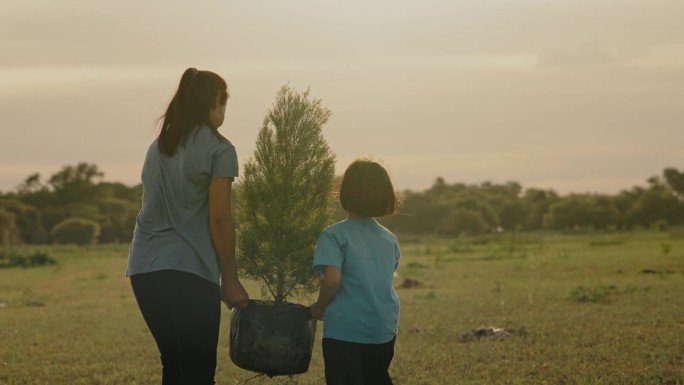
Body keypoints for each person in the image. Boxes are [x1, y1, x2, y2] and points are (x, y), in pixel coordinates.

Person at [126, 67, 249, 385]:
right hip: (189, 272)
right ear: (217, 100)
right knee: (197, 373)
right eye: (225, 102)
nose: (224, 111)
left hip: (144, 270)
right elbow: (220, 218)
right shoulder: (220, 150)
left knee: (175, 366)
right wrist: (231, 280)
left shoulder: (158, 147)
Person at [310, 158, 401, 385]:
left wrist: (319, 306)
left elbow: (332, 280)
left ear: (345, 193)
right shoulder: (390, 239)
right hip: (383, 329)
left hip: (345, 331)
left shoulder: (334, 235)